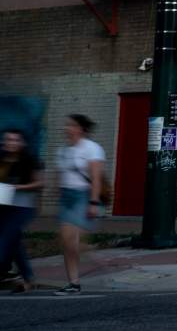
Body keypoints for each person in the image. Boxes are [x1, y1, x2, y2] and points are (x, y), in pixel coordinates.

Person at [56, 114, 105, 295]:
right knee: (66, 241)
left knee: (70, 239)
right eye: (67, 125)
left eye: (71, 125)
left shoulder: (92, 149)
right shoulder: (63, 150)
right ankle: (73, 282)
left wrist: (93, 202)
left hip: (82, 195)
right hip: (66, 196)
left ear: (81, 129)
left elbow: (96, 178)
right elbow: (59, 175)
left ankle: (90, 258)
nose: (67, 128)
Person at [0, 129, 43, 294]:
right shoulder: (2, 158)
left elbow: (39, 184)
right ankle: (29, 279)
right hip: (3, 206)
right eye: (8, 140)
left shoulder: (29, 160)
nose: (11, 143)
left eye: (15, 140)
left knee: (6, 238)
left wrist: (18, 187)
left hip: (23, 207)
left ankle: (3, 270)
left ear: (21, 143)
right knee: (15, 244)